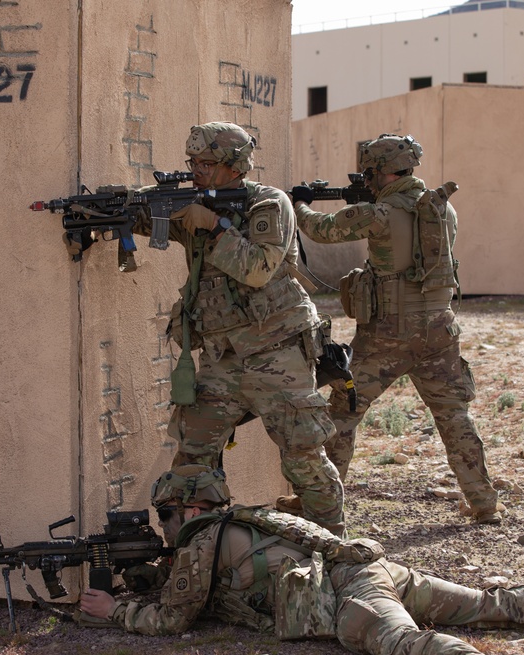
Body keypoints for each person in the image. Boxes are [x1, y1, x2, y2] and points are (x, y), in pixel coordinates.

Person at [79, 465, 524, 655]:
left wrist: (115, 611)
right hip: (370, 573)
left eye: (169, 514)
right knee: (488, 603)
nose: (166, 527)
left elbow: (175, 619)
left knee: (404, 646)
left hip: (350, 598)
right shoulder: (236, 524)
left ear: (194, 509)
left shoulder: (202, 539)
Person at [77, 121, 344, 535]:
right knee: (191, 462)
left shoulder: (269, 204)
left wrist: (215, 226)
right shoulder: (196, 203)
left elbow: (257, 269)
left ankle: (336, 551)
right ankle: (195, 553)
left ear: (235, 166)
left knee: (302, 455)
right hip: (221, 360)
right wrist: (103, 212)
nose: (196, 169)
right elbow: (147, 215)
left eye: (206, 162)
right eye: (193, 162)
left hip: (277, 352)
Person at [288, 133, 501, 524]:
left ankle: (319, 505)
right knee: (454, 416)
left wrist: (297, 203)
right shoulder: (441, 209)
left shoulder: (379, 214)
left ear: (377, 172)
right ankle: (484, 503)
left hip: (388, 334)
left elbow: (321, 229)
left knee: (343, 410)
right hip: (440, 330)